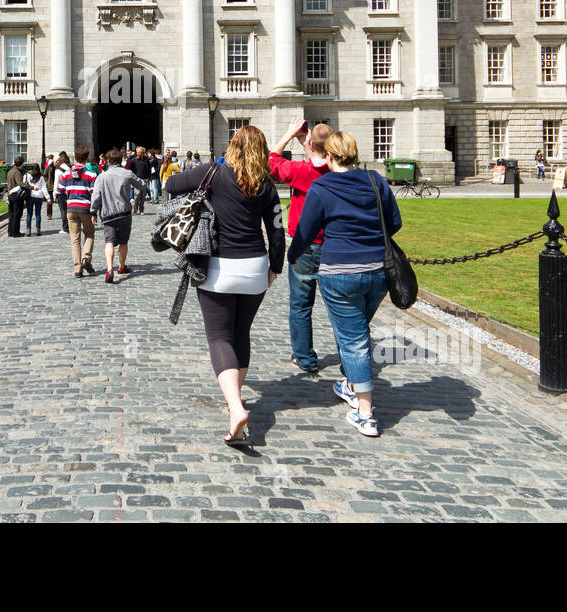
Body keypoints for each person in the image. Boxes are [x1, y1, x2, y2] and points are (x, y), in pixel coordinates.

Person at [164, 126, 286, 446]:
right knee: (240, 333)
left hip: (218, 268)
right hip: (255, 268)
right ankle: (236, 399)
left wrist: (194, 180)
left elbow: (170, 183)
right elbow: (276, 232)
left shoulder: (213, 173)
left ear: (232, 147)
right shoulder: (267, 186)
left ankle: (235, 406)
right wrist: (275, 267)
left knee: (219, 337)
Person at [287, 132, 402, 438]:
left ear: (328, 156)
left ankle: (365, 412)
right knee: (358, 332)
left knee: (354, 341)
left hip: (340, 273)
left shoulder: (322, 186)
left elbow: (306, 231)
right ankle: (351, 383)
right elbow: (394, 223)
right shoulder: (376, 181)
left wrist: (292, 255)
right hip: (378, 272)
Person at [269, 117, 334, 375]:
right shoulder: (340, 172)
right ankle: (348, 355)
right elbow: (321, 163)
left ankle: (305, 358)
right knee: (339, 308)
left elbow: (271, 160)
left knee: (301, 305)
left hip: (305, 247)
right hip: (335, 247)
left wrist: (288, 134)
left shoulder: (301, 172)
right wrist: (309, 146)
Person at [90, 148, 143, 282]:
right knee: (123, 242)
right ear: (121, 161)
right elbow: (142, 186)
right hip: (124, 213)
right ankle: (121, 266)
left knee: (109, 241)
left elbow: (96, 197)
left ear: (108, 161)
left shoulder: (102, 176)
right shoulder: (127, 173)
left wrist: (93, 212)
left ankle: (109, 270)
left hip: (108, 214)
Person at [60, 147, 99, 277]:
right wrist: (94, 212)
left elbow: (60, 189)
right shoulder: (91, 174)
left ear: (75, 158)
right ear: (87, 157)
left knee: (75, 239)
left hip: (71, 208)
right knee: (89, 234)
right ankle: (86, 258)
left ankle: (77, 268)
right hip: (85, 208)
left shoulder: (66, 174)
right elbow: (94, 194)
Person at [23, 164, 49, 236]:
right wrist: (48, 198)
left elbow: (23, 184)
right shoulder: (41, 177)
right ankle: (38, 230)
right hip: (39, 196)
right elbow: (44, 188)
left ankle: (28, 230)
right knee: (38, 214)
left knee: (29, 214)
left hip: (30, 196)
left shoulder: (27, 176)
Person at [6, 156, 27, 238]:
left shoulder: (10, 171)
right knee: (17, 214)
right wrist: (31, 187)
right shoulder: (17, 172)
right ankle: (15, 232)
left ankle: (10, 231)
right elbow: (20, 183)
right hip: (16, 195)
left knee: (11, 214)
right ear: (21, 164)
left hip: (10, 194)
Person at [130, 146, 153, 214]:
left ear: (143, 153)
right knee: (137, 195)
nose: (137, 153)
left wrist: (148, 178)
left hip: (144, 180)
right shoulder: (134, 160)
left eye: (139, 152)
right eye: (137, 152)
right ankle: (135, 209)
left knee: (143, 196)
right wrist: (132, 181)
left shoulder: (146, 160)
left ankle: (141, 210)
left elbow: (149, 170)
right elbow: (131, 171)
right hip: (137, 180)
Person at [52, 151, 72, 226]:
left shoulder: (58, 171)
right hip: (70, 191)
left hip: (61, 192)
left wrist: (54, 194)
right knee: (70, 210)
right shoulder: (70, 168)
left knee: (63, 210)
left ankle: (65, 227)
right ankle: (70, 225)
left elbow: (56, 184)